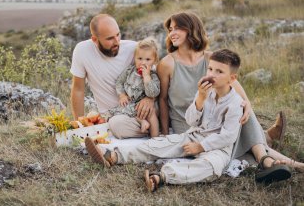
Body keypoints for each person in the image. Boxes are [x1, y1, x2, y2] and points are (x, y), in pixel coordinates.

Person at [103, 11, 304, 177]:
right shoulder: (167, 63)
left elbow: (235, 86)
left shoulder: (211, 58)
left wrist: (248, 104)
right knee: (233, 124)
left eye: (177, 28)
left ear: (191, 29)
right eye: (170, 29)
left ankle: (268, 157)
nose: (172, 32)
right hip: (190, 123)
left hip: (216, 118)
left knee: (240, 108)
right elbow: (162, 100)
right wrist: (165, 132)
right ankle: (274, 151)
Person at [86, 49, 291, 191]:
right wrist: (200, 100)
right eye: (210, 69)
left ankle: (163, 176)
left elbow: (228, 136)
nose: (212, 74)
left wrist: (201, 147)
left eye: (219, 72)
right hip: (193, 135)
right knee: (157, 145)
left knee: (210, 168)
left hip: (218, 148)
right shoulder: (205, 92)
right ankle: (113, 155)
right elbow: (191, 120)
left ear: (232, 79)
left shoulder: (235, 103)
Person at [70, 14, 154, 138]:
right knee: (117, 124)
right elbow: (78, 90)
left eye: (118, 34)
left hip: (141, 111)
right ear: (94, 39)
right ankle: (152, 130)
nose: (117, 41)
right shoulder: (82, 51)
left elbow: (158, 77)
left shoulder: (134, 49)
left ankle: (155, 130)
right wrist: (79, 126)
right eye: (110, 38)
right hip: (116, 117)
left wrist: (150, 99)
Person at [107, 37, 160, 137]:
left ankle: (155, 138)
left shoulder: (153, 76)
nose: (143, 62)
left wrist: (147, 77)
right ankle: (142, 122)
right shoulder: (129, 71)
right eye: (139, 58)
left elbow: (153, 93)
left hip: (147, 107)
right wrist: (122, 95)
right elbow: (119, 82)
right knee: (123, 111)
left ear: (155, 60)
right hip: (131, 104)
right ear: (134, 58)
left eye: (148, 59)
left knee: (151, 113)